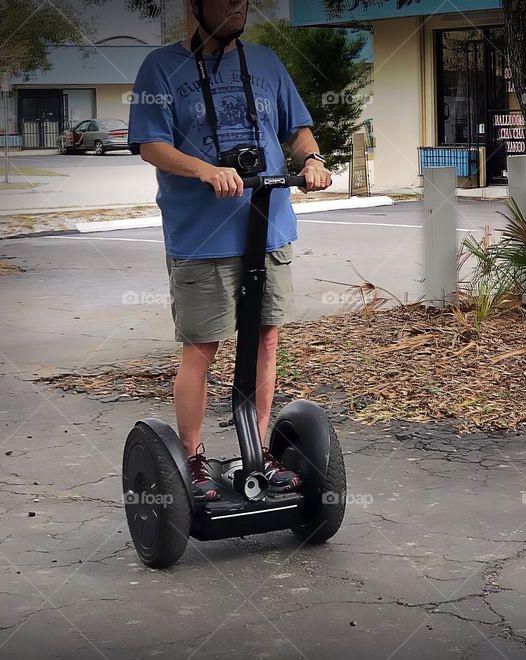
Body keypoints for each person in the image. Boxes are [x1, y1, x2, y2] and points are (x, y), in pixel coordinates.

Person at [128, 0, 332, 501]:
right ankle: (193, 461)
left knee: (265, 340)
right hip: (203, 235)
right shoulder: (161, 67)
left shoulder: (265, 63)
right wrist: (204, 169)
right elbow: (150, 144)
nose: (237, 6)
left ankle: (257, 451)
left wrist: (313, 159)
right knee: (202, 347)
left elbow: (297, 128)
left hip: (269, 228)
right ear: (194, 6)